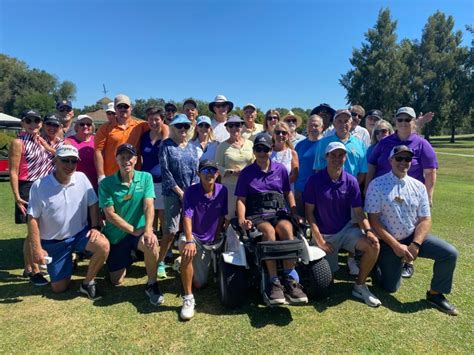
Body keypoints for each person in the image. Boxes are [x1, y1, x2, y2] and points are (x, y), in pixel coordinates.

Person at [366, 145, 459, 315]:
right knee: (390, 288)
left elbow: (425, 219)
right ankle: (376, 264)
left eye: (407, 159)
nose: (403, 162)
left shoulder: (419, 186)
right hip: (388, 242)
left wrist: (415, 244)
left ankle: (435, 294)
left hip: (412, 237)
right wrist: (395, 245)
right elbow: (374, 220)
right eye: (399, 158)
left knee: (449, 253)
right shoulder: (377, 185)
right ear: (390, 160)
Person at [304, 142, 381, 307]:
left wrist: (368, 231)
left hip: (345, 231)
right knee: (324, 284)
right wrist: (320, 240)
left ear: (345, 158)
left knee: (373, 245)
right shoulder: (314, 181)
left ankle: (359, 286)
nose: (337, 159)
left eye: (341, 155)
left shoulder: (351, 181)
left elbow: (359, 213)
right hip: (324, 234)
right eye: (333, 155)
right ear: (326, 157)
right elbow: (309, 213)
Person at [27, 145, 110, 299]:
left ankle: (88, 283)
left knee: (103, 245)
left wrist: (95, 227)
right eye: (65, 160)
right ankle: (67, 262)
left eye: (74, 161)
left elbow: (93, 203)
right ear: (55, 161)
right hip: (54, 242)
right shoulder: (39, 185)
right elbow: (32, 219)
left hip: (79, 234)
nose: (70, 165)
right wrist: (37, 248)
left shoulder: (82, 178)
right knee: (59, 288)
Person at [235, 133, 308, 306]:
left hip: (278, 212)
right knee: (268, 231)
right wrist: (241, 219)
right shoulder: (246, 173)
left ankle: (289, 278)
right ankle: (273, 280)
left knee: (286, 229)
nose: (262, 152)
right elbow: (241, 200)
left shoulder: (280, 169)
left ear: (271, 149)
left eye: (265, 149)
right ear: (254, 151)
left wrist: (294, 211)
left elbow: (287, 192)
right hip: (257, 214)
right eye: (258, 149)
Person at [99, 143, 164, 305]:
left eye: (129, 157)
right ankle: (130, 256)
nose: (126, 161)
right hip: (117, 236)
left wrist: (148, 230)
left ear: (136, 160)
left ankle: (152, 284)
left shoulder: (146, 177)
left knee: (151, 243)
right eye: (122, 157)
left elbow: (149, 205)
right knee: (116, 280)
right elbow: (110, 214)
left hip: (140, 231)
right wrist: (132, 230)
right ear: (116, 159)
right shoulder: (106, 184)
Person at [9, 109, 54, 286]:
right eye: (29, 121)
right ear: (23, 123)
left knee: (39, 230)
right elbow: (13, 171)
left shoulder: (42, 141)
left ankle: (30, 267)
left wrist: (44, 143)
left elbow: (55, 155)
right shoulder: (18, 142)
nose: (33, 124)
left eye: (36, 121)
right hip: (27, 187)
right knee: (32, 232)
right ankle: (32, 270)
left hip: (44, 187)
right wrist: (17, 196)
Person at [179, 159, 228, 320]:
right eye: (205, 171)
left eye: (213, 170)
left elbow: (221, 215)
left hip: (211, 240)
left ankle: (184, 265)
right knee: (183, 244)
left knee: (200, 283)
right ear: (198, 173)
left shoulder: (223, 191)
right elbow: (187, 216)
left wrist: (216, 235)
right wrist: (189, 240)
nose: (209, 174)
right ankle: (188, 298)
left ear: (218, 173)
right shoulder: (190, 191)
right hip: (195, 237)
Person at [366, 107, 437, 205]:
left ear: (414, 122)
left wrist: (428, 197)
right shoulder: (384, 142)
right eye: (400, 119)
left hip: (411, 195)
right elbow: (371, 165)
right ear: (395, 121)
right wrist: (367, 188)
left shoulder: (422, 144)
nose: (403, 123)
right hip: (382, 194)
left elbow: (430, 172)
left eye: (407, 120)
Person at [157, 114, 199, 278]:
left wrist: (191, 192)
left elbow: (196, 173)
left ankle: (185, 260)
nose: (183, 129)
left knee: (190, 229)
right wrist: (181, 193)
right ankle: (160, 261)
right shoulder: (166, 146)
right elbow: (166, 173)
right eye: (179, 126)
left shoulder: (192, 148)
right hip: (172, 193)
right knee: (170, 231)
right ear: (172, 128)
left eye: (186, 126)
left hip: (190, 194)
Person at [94, 94, 152, 181]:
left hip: (133, 177)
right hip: (111, 177)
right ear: (115, 108)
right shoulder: (105, 128)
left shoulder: (140, 125)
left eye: (125, 106)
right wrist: (101, 176)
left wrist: (166, 135)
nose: (123, 109)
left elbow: (161, 126)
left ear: (131, 108)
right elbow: (98, 151)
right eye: (119, 106)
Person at [313, 109, 367, 186]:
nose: (343, 124)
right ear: (334, 124)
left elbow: (363, 170)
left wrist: (354, 186)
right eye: (339, 121)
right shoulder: (323, 143)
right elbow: (318, 168)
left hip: (351, 188)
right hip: (328, 187)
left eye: (346, 121)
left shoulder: (360, 144)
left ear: (351, 124)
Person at [215, 115, 254, 222]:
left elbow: (255, 162)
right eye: (231, 126)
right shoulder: (222, 146)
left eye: (237, 125)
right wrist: (231, 172)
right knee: (230, 215)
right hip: (230, 186)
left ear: (242, 126)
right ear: (227, 128)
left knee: (249, 214)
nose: (234, 128)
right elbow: (217, 166)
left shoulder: (250, 144)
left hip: (249, 185)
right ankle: (229, 238)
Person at [140, 107, 169, 231]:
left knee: (163, 215)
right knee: (148, 214)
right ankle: (148, 244)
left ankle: (165, 245)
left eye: (156, 119)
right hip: (146, 182)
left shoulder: (167, 136)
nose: (153, 122)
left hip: (162, 181)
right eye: (150, 119)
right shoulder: (144, 137)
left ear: (162, 120)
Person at [294, 114, 324, 217]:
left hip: (319, 190)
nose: (313, 128)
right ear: (307, 127)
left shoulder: (326, 144)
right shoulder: (299, 145)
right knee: (300, 220)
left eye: (316, 125)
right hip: (300, 189)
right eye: (310, 125)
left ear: (322, 127)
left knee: (317, 221)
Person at [64, 114, 98, 190]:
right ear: (76, 127)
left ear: (92, 127)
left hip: (95, 182)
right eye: (82, 124)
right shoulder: (69, 141)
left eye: (88, 124)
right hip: (77, 183)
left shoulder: (97, 140)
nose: (85, 126)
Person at [271, 121, 298, 186]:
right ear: (274, 135)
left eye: (284, 133)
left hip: (287, 191)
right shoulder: (268, 152)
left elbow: (294, 176)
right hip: (269, 190)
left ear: (288, 136)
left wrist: (280, 185)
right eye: (278, 132)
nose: (280, 135)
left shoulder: (292, 153)